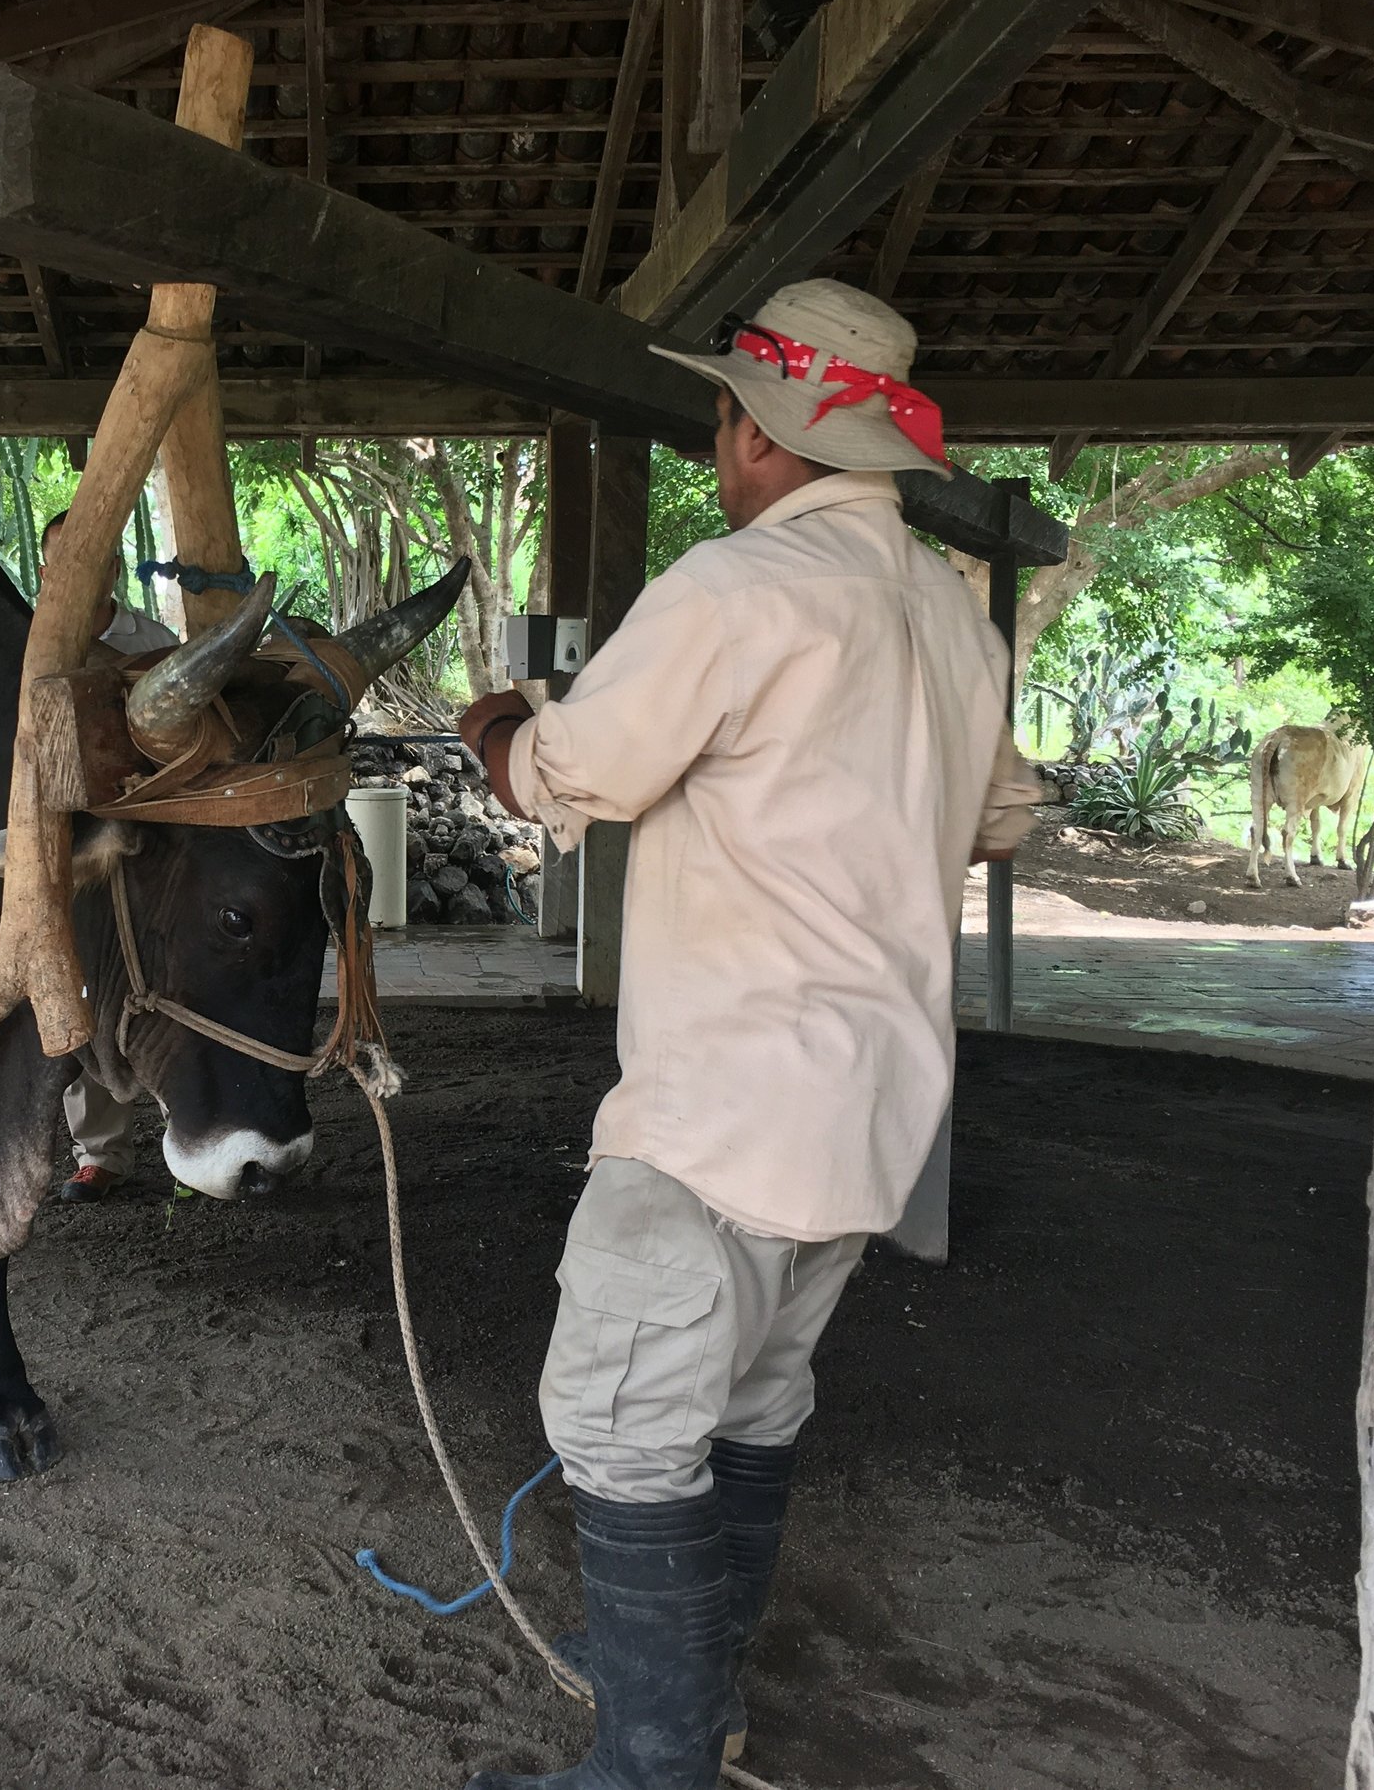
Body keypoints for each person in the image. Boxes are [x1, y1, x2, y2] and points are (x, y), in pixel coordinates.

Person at [454, 279, 1046, 1789]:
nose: (718, 445)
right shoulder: (951, 624)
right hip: (862, 1127)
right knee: (752, 1400)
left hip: (717, 1120)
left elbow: (577, 771)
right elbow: (1001, 814)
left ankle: (649, 1766)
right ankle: (698, 1710)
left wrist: (501, 738)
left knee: (620, 1420)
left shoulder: (735, 589)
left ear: (762, 431)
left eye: (724, 414)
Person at [38, 509, 178, 1202]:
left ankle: (194, 1128)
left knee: (161, 980)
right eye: (61, 560)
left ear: (115, 568)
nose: (75, 572)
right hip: (54, 848)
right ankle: (99, 1152)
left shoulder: (152, 643)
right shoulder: (25, 640)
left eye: (91, 557)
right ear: (42, 568)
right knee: (71, 989)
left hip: (140, 847)